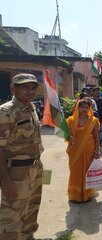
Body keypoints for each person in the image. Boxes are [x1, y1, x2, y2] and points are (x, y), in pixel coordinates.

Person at [0, 74, 44, 239]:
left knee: (31, 209)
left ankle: (28, 237)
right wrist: (5, 181)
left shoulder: (31, 108)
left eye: (33, 88)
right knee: (11, 217)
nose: (30, 91)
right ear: (13, 88)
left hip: (35, 168)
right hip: (16, 173)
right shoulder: (6, 112)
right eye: (25, 87)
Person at [66, 98, 100, 203]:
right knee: (75, 171)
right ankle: (75, 194)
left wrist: (97, 151)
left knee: (87, 171)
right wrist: (68, 138)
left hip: (89, 149)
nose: (84, 109)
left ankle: (87, 194)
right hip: (75, 149)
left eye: (87, 107)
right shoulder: (70, 120)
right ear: (78, 108)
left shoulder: (93, 120)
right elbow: (65, 134)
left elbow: (96, 137)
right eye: (82, 107)